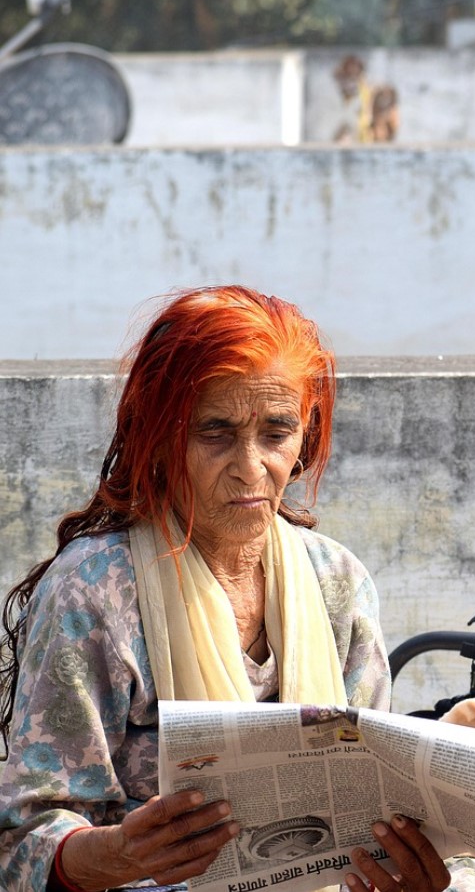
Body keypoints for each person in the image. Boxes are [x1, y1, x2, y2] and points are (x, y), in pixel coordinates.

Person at [0, 286, 448, 892]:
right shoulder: (96, 591)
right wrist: (118, 854)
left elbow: (373, 803)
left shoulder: (336, 582)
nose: (250, 466)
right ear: (159, 437)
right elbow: (21, 843)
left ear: (306, 437)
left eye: (276, 432)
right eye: (216, 432)